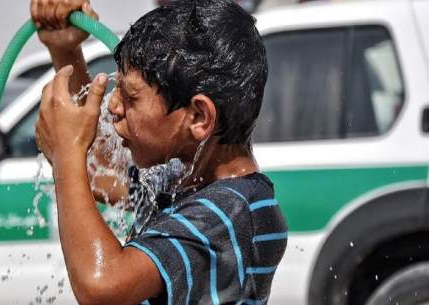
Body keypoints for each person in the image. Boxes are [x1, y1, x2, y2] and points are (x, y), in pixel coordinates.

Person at [31, 0, 287, 304]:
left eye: (131, 96)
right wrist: (66, 52)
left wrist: (65, 153)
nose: (113, 107)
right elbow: (96, 172)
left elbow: (102, 285)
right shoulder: (181, 178)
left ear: (198, 117)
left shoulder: (230, 212)